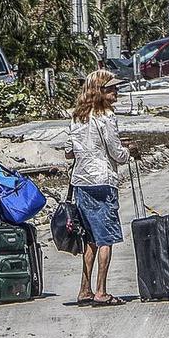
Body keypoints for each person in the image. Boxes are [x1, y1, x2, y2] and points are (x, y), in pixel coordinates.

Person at [65, 70, 137, 307]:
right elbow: (116, 153)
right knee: (105, 238)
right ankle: (101, 291)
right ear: (100, 91)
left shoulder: (77, 117)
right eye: (111, 88)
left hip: (81, 182)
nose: (116, 91)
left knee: (90, 238)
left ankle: (84, 289)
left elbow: (69, 151)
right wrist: (130, 152)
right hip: (102, 181)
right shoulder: (106, 116)